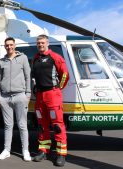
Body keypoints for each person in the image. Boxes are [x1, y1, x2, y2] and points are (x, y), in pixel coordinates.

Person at [31, 34, 69, 167]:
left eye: (42, 42)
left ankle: (61, 154)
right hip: (40, 97)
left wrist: (58, 88)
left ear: (47, 43)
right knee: (42, 125)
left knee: (57, 126)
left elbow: (64, 74)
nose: (40, 45)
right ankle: (43, 150)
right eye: (38, 43)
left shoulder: (55, 57)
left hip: (53, 95)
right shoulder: (35, 58)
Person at [0, 37, 32, 161]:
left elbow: (28, 76)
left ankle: (25, 150)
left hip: (20, 96)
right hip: (5, 97)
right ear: (5, 46)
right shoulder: (1, 61)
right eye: (7, 45)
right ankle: (6, 150)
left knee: (22, 125)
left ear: (14, 45)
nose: (9, 47)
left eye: (11, 45)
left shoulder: (23, 58)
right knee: (8, 125)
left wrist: (27, 94)